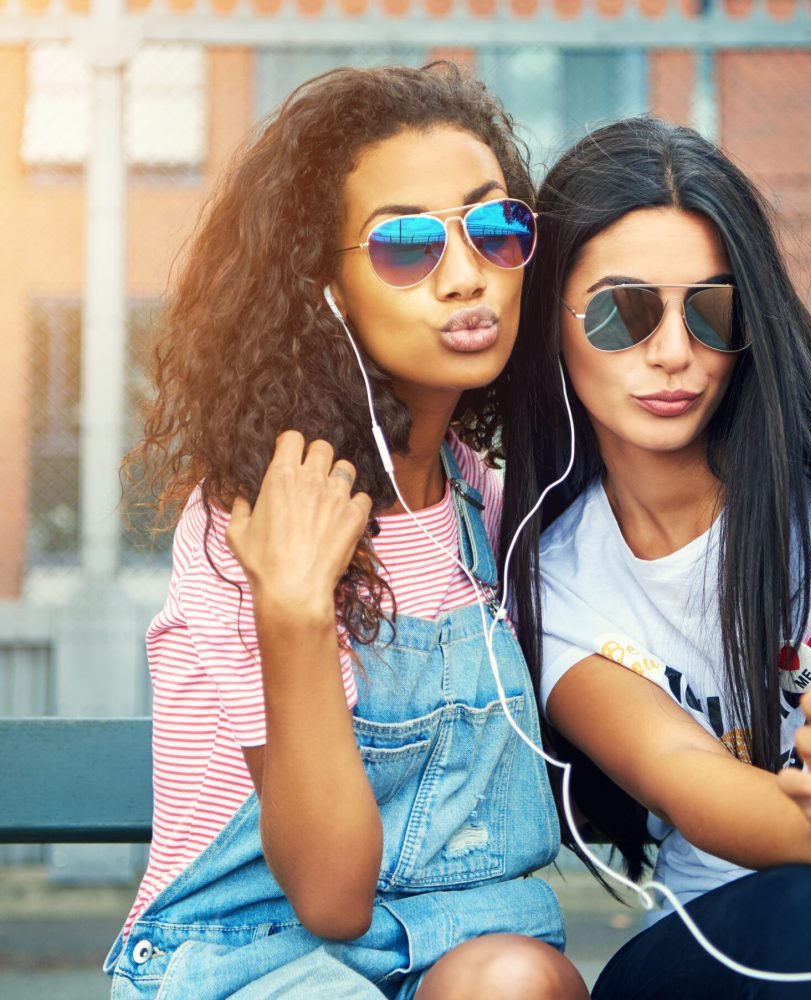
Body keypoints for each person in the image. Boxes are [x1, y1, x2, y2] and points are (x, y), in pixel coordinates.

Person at [107, 63, 589, 1000]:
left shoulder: (490, 504)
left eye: (495, 229)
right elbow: (330, 898)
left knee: (521, 978)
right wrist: (292, 610)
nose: (467, 277)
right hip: (247, 957)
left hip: (454, 946)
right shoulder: (251, 520)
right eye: (407, 244)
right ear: (322, 288)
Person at [505, 116, 811, 998]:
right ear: (552, 321)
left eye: (711, 311)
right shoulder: (558, 575)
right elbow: (685, 775)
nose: (673, 352)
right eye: (623, 312)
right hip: (730, 951)